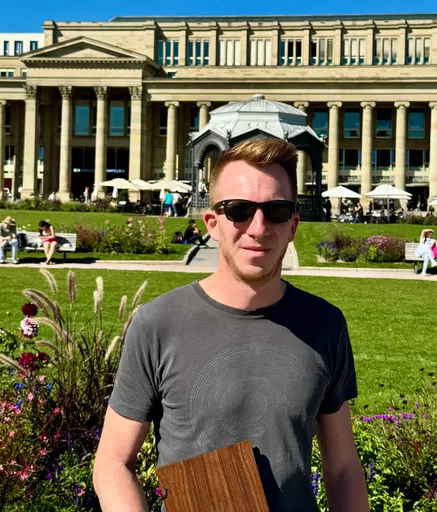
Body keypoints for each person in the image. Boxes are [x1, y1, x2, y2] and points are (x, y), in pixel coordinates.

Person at [93, 138, 368, 511]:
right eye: (238, 210)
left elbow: (342, 468)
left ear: (293, 226)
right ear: (213, 224)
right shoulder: (158, 323)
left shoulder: (324, 324)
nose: (258, 227)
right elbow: (112, 462)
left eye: (277, 210)